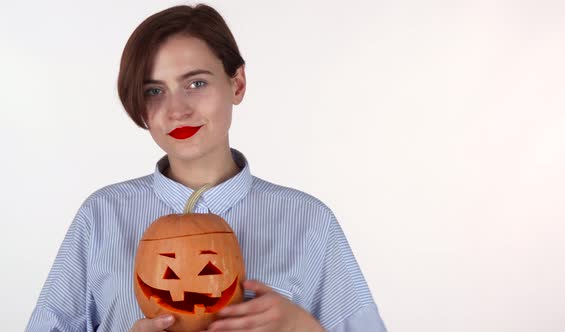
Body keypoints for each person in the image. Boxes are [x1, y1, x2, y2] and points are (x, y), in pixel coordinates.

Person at [26, 4, 386, 332]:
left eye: (196, 83)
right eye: (154, 91)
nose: (176, 109)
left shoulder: (309, 221)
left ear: (237, 83)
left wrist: (307, 329)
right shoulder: (101, 217)